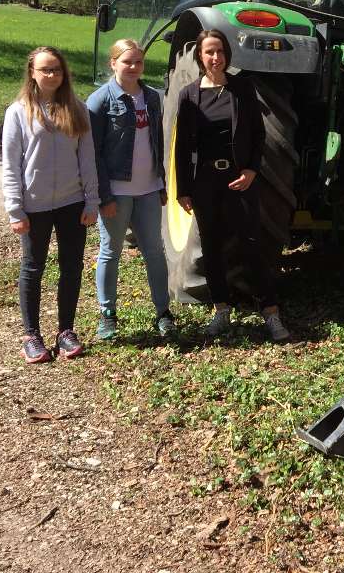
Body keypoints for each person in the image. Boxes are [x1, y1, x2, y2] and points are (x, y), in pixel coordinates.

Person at [172, 29, 290, 343]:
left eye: (220, 51)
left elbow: (258, 134)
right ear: (200, 56)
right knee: (210, 245)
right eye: (209, 52)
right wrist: (183, 189)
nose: (215, 58)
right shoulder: (189, 95)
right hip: (205, 182)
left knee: (252, 243)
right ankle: (221, 309)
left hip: (239, 180)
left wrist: (252, 170)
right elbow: (182, 147)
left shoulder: (242, 88)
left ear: (227, 55)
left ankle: (270, 311)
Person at [1, 46, 99, 364]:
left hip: (72, 203)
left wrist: (92, 200)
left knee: (72, 267)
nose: (52, 75)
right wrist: (15, 209)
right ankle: (32, 335)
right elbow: (11, 165)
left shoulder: (78, 109)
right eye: (45, 69)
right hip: (34, 206)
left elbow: (88, 160)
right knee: (32, 268)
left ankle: (66, 331)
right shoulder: (18, 112)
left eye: (56, 69)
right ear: (32, 73)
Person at [87, 38, 175, 341]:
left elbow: (158, 143)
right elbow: (93, 153)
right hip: (117, 193)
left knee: (155, 250)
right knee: (111, 252)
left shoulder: (152, 97)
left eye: (138, 62)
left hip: (149, 189)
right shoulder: (99, 101)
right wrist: (104, 196)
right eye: (128, 62)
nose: (134, 67)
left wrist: (161, 182)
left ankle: (163, 312)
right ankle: (108, 314)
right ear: (113, 63)